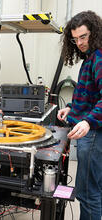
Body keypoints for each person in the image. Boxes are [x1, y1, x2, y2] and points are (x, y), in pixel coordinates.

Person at [57, 11, 102, 220]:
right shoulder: (90, 58)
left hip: (93, 135)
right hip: (88, 132)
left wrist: (87, 121)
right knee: (93, 189)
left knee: (87, 193)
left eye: (83, 37)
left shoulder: (99, 57)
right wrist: (72, 110)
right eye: (75, 39)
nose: (80, 43)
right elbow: (89, 95)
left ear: (95, 32)